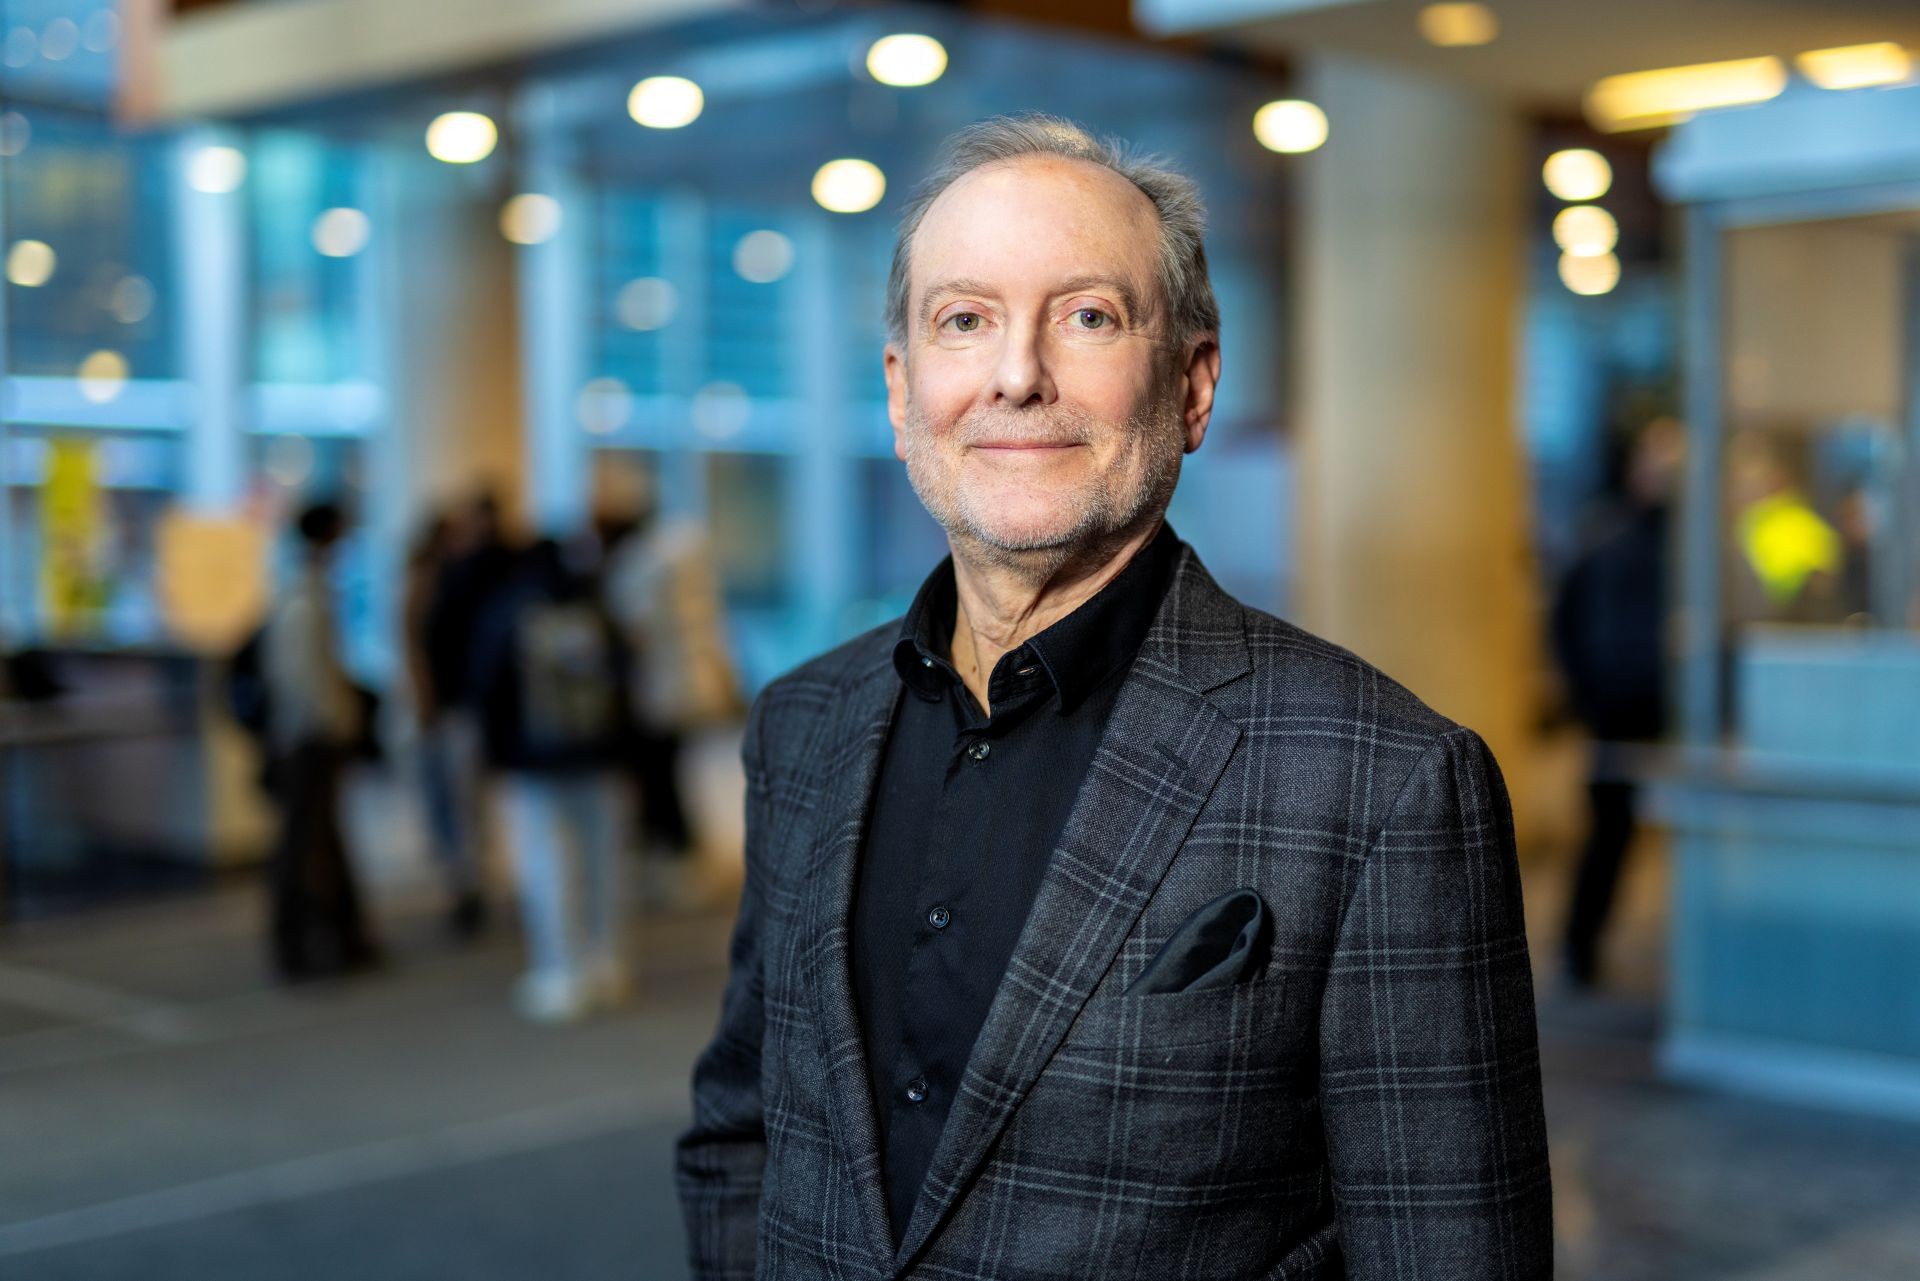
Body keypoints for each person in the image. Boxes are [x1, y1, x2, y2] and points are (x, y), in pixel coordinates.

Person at [677, 115, 1551, 1279]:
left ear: (1191, 385)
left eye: (1088, 316)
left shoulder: (1382, 782)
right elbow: (746, 1135)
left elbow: (1452, 1255)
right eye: (963, 321)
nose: (1017, 374)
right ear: (901, 391)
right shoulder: (804, 725)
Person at [471, 537, 632, 1023]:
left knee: (549, 865)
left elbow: (487, 685)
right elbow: (627, 678)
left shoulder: (510, 611)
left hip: (537, 760)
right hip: (600, 756)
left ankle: (561, 971)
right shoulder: (596, 608)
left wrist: (497, 754)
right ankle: (607, 963)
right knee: (604, 862)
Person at [1552, 417, 1681, 989]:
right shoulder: (1603, 534)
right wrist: (1585, 693)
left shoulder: (1694, 541)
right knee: (1609, 832)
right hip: (1618, 708)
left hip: (1676, 706)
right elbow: (1566, 621)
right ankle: (1579, 948)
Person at [262, 500, 378, 981]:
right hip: (310, 740)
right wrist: (336, 724)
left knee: (321, 842)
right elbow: (302, 677)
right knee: (303, 844)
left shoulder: (306, 591)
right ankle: (301, 944)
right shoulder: (303, 596)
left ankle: (340, 937)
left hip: (311, 737)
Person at [601, 487, 742, 868]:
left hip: (655, 690)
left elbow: (633, 627)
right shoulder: (676, 566)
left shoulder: (639, 569)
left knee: (660, 773)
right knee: (667, 770)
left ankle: (673, 847)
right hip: (672, 687)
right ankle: (674, 846)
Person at [401, 510, 486, 936]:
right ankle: (462, 882)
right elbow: (415, 646)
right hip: (445, 709)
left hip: (452, 707)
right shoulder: (431, 582)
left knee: (458, 803)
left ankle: (466, 882)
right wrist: (424, 701)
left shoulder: (451, 581)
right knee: (452, 803)